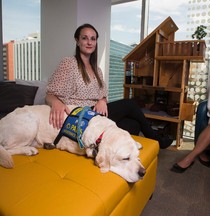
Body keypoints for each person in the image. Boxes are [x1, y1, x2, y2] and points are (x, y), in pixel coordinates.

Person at [45, 23, 173, 149]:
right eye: (84, 38)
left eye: (93, 39)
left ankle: (111, 148)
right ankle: (156, 139)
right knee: (130, 104)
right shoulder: (69, 63)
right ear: (77, 41)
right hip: (81, 116)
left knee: (133, 124)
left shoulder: (97, 70)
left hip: (95, 114)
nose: (89, 42)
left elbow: (103, 95)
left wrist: (102, 100)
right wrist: (56, 102)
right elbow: (49, 95)